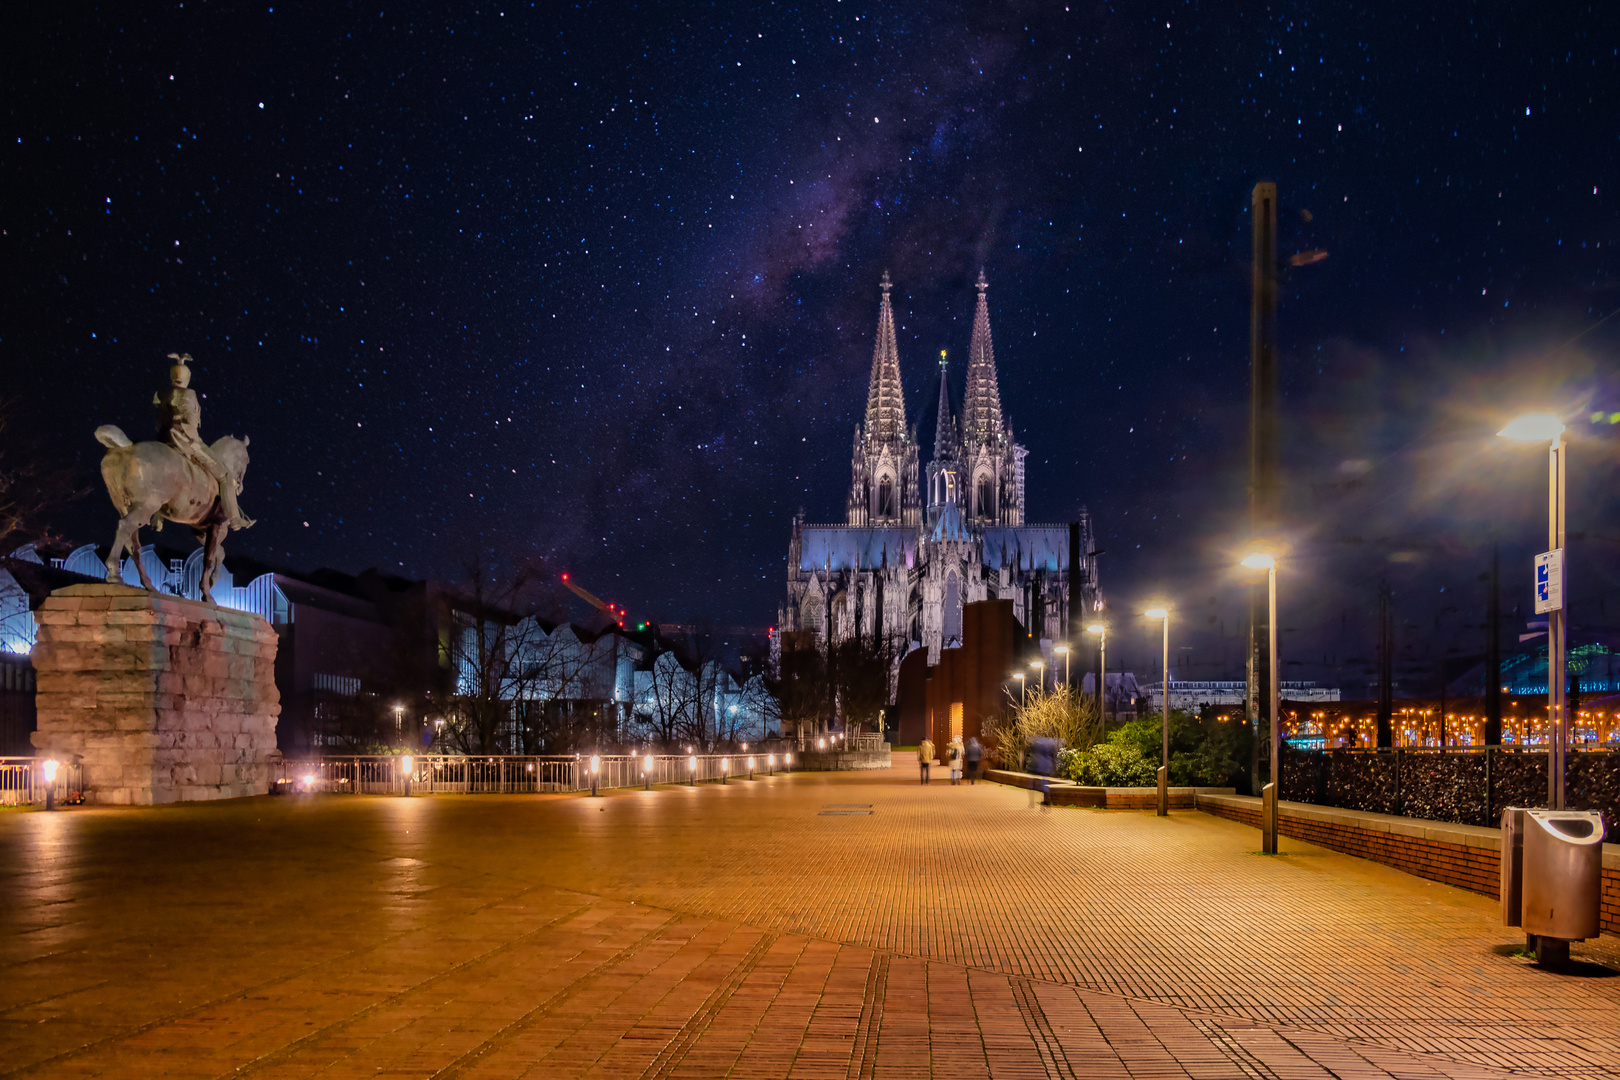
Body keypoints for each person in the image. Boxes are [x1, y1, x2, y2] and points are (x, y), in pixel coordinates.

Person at [155, 353, 254, 530]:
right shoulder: (188, 395)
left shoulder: (161, 394)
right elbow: (190, 422)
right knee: (225, 476)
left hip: (162, 440)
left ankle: (156, 515)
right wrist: (192, 442)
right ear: (187, 378)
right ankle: (235, 519)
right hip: (185, 440)